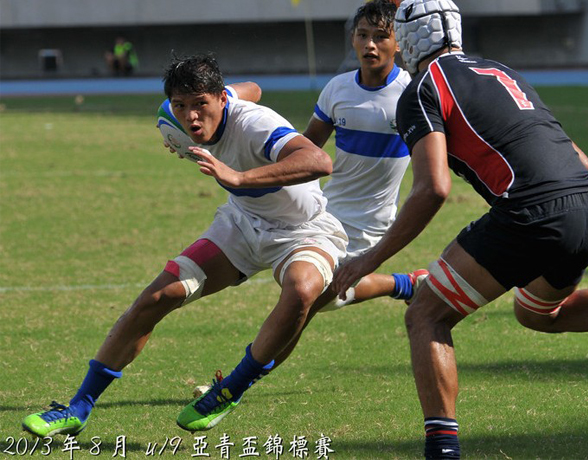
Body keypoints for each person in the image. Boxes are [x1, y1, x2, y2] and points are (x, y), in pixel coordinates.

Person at [22, 53, 347, 437]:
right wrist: (180, 126)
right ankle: (77, 408)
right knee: (155, 298)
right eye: (181, 106)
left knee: (302, 289)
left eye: (200, 106)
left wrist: (239, 178)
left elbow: (319, 160)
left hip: (303, 230)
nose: (191, 117)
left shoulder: (257, 124)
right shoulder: (182, 112)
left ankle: (229, 391)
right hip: (241, 225)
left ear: (221, 101)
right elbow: (253, 88)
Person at [332, 0, 588, 458]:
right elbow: (565, 146)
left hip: (530, 211)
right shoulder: (499, 69)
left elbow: (433, 189)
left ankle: (442, 450)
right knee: (537, 312)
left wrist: (370, 259)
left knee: (426, 313)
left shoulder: (422, 88)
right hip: (583, 200)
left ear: (408, 39)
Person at [271, 0, 428, 368]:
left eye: (380, 37)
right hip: (325, 213)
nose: (370, 45)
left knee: (310, 301)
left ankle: (235, 384)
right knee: (309, 297)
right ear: (353, 40)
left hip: (371, 224)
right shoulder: (337, 89)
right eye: (362, 36)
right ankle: (404, 284)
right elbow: (307, 148)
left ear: (399, 43)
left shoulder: (413, 95)